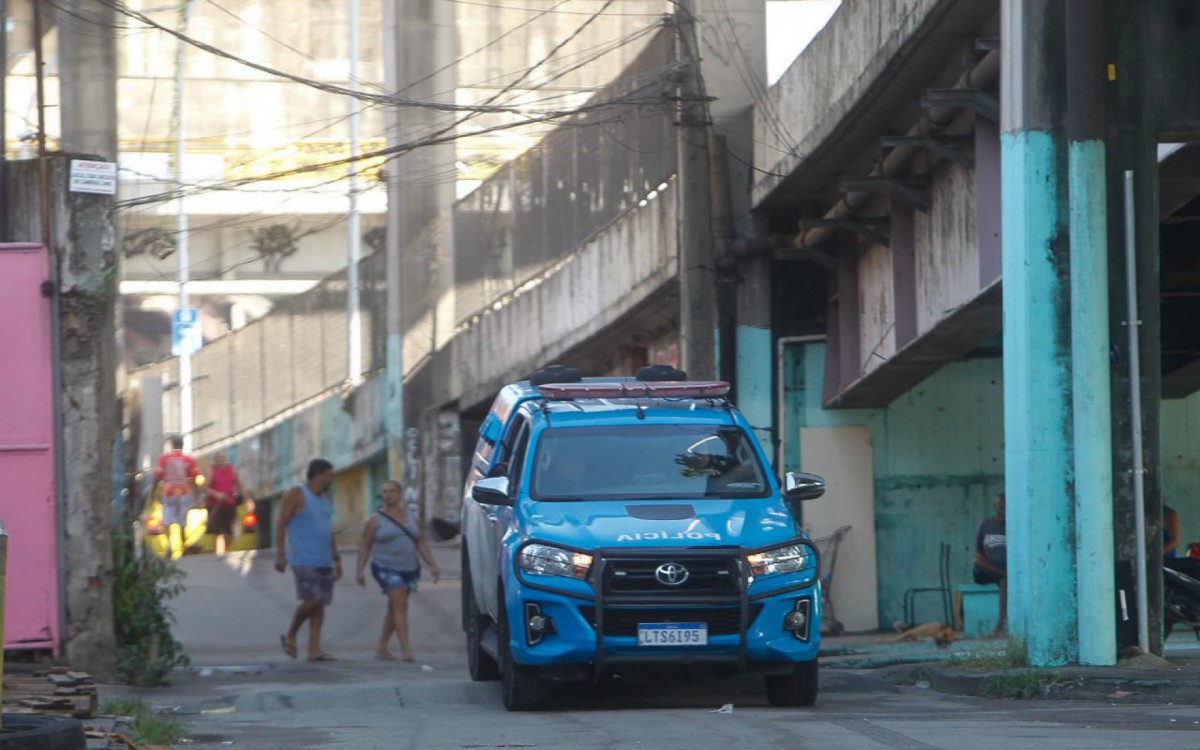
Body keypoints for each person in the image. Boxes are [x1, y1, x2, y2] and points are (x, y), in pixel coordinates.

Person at [355, 480, 441, 662]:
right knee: (400, 603)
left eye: (392, 491)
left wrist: (432, 564)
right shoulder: (375, 520)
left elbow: (421, 542)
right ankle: (406, 651)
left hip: (409, 568)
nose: (388, 495)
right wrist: (359, 570)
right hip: (385, 566)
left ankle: (381, 647)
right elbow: (365, 545)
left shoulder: (412, 518)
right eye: (385, 492)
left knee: (395, 606)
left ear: (400, 494)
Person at [275, 458, 341, 662]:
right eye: (329, 475)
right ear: (318, 474)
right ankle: (291, 634)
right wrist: (280, 553)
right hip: (303, 558)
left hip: (323, 559)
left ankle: (314, 649)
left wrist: (336, 558)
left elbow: (327, 530)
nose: (331, 479)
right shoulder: (296, 493)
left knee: (320, 605)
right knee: (312, 599)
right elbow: (281, 522)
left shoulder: (325, 499)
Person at [152, 434, 202, 560]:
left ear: (171, 445)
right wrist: (197, 498)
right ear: (182, 445)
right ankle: (183, 546)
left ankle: (169, 545)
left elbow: (157, 476)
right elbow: (194, 479)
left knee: (167, 520)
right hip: (184, 493)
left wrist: (153, 492)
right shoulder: (189, 459)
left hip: (168, 493)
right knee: (182, 521)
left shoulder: (164, 459)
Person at [205, 451, 254, 556]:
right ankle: (219, 555)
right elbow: (205, 488)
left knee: (231, 534)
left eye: (223, 457)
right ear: (216, 459)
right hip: (215, 505)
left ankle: (223, 550)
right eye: (219, 457)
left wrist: (248, 500)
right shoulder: (211, 471)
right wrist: (216, 494)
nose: (221, 459)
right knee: (218, 533)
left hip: (229, 504)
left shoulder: (231, 470)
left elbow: (239, 485)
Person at [972, 492, 1007, 636]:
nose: (1001, 510)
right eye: (998, 506)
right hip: (987, 571)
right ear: (994, 507)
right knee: (977, 561)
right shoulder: (986, 525)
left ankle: (1000, 626)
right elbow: (979, 550)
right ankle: (1007, 575)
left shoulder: (1014, 526)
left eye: (1004, 507)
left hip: (1004, 569)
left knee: (1006, 581)